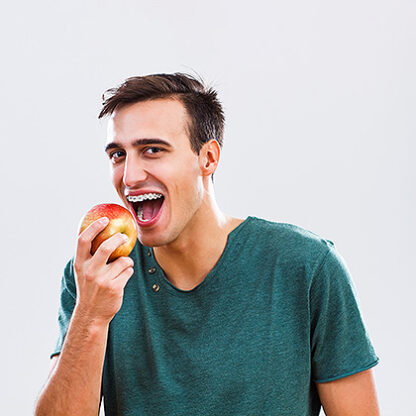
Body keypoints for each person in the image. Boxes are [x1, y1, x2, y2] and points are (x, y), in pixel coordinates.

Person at [35, 73, 380, 416]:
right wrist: (91, 317)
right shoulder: (94, 276)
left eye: (152, 150)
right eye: (118, 155)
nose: (130, 177)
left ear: (208, 158)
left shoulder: (306, 267)